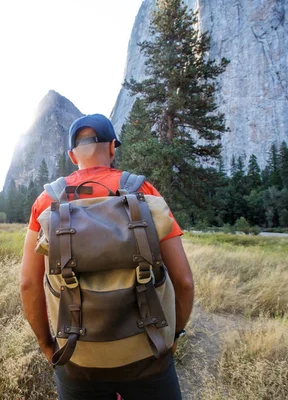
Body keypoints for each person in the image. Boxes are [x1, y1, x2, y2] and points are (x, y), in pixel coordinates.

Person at [20, 114, 194, 399]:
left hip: (76, 358)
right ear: (113, 147)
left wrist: (48, 346)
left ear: (72, 155)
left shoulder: (46, 202)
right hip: (148, 353)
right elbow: (184, 281)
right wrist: (173, 336)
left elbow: (28, 284)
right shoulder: (144, 192)